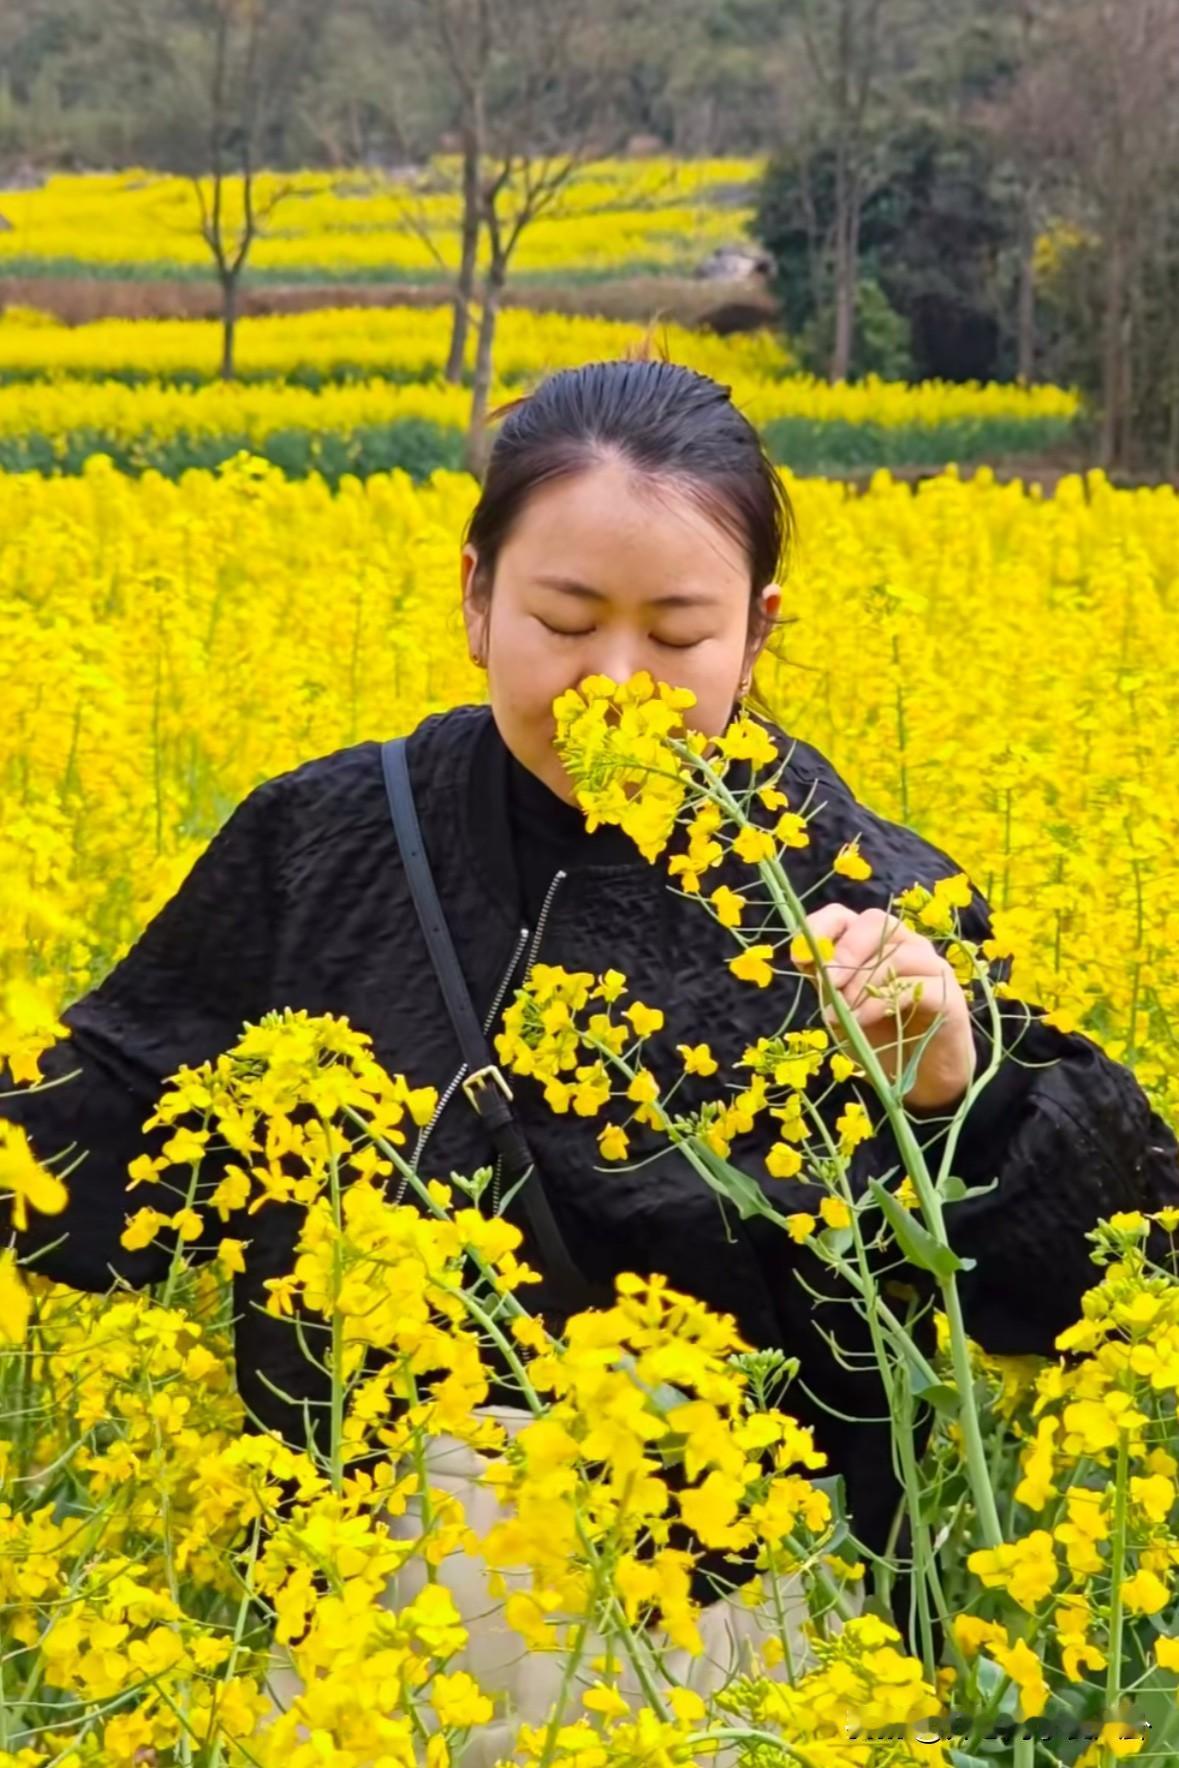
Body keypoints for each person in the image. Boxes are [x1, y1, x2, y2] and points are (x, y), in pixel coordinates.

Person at [2, 357, 1177, 1722]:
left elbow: (1105, 1276)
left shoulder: (859, 900)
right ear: (475, 600)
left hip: (756, 1677)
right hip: (375, 1664)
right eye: (564, 620)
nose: (612, 684)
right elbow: (108, 1142)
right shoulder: (327, 844)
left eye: (678, 636)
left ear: (757, 631)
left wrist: (950, 1095)